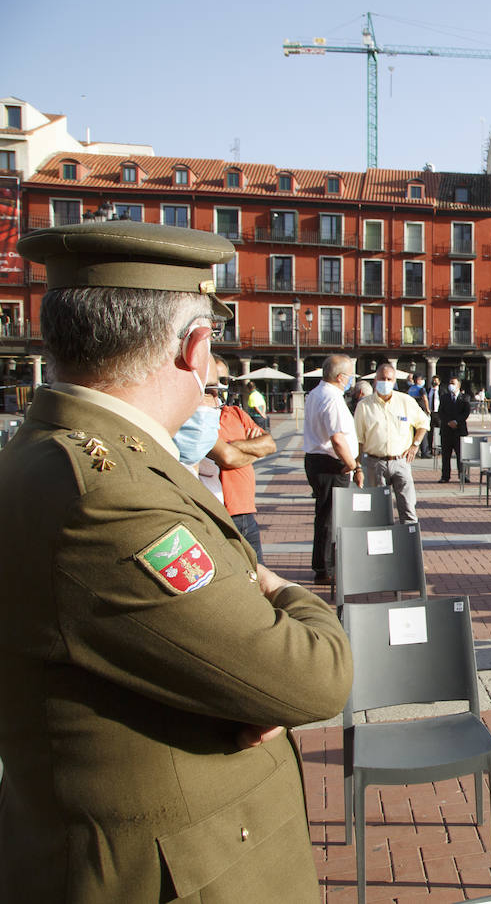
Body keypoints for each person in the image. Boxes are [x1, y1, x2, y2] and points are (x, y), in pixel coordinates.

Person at [1, 221, 352, 900]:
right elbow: (313, 679)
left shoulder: (56, 454)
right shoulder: (108, 495)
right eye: (214, 348)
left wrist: (247, 665)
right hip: (178, 873)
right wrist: (276, 589)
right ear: (195, 349)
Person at [207, 357, 277, 559]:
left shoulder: (236, 413)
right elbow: (227, 458)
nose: (219, 388)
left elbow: (270, 444)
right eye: (212, 383)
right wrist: (253, 450)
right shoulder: (198, 418)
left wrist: (235, 446)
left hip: (246, 511)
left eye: (223, 381)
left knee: (259, 576)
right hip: (219, 514)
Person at [304, 354, 363, 585]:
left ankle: (324, 564)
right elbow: (337, 439)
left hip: (318, 460)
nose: (351, 380)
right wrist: (354, 466)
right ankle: (325, 568)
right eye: (350, 376)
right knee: (331, 517)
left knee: (325, 516)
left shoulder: (316, 393)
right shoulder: (332, 399)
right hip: (330, 464)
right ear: (340, 377)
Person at [353, 362, 429, 524]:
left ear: (394, 381)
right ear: (375, 380)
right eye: (382, 378)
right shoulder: (364, 406)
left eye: (389, 379)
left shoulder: (405, 401)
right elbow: (358, 440)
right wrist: (358, 467)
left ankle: (409, 546)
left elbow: (423, 423)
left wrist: (415, 445)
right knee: (378, 512)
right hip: (375, 462)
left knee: (408, 509)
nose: (385, 382)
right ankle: (383, 546)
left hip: (401, 461)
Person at [436, 376, 472, 484]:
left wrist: (456, 422)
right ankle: (445, 476)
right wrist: (448, 422)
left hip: (459, 430)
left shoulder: (465, 397)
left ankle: (462, 475)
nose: (451, 385)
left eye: (453, 383)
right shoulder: (444, 397)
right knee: (446, 455)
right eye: (450, 383)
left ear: (458, 386)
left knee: (461, 455)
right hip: (446, 430)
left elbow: (466, 412)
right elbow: (441, 412)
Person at [420, 374, 442, 458]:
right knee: (430, 432)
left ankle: (440, 448)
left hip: (439, 413)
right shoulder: (428, 390)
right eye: (433, 380)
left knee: (440, 432)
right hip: (430, 413)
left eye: (436, 380)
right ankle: (429, 448)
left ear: (439, 382)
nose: (434, 382)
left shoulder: (441, 391)